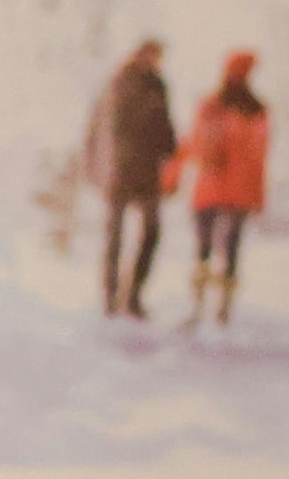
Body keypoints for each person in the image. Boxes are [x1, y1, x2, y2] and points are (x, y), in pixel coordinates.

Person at [90, 34, 184, 320]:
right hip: (120, 171)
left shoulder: (158, 85)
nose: (155, 61)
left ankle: (133, 295)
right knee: (115, 237)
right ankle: (110, 295)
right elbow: (108, 126)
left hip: (148, 173)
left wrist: (170, 151)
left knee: (151, 234)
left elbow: (165, 126)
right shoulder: (121, 82)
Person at [181, 52, 276, 328]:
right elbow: (259, 156)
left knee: (203, 249)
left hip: (210, 187)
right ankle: (222, 310)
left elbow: (194, 142)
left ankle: (198, 306)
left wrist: (173, 175)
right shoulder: (257, 110)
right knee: (231, 250)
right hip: (239, 190)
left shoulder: (212, 105)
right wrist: (258, 195)